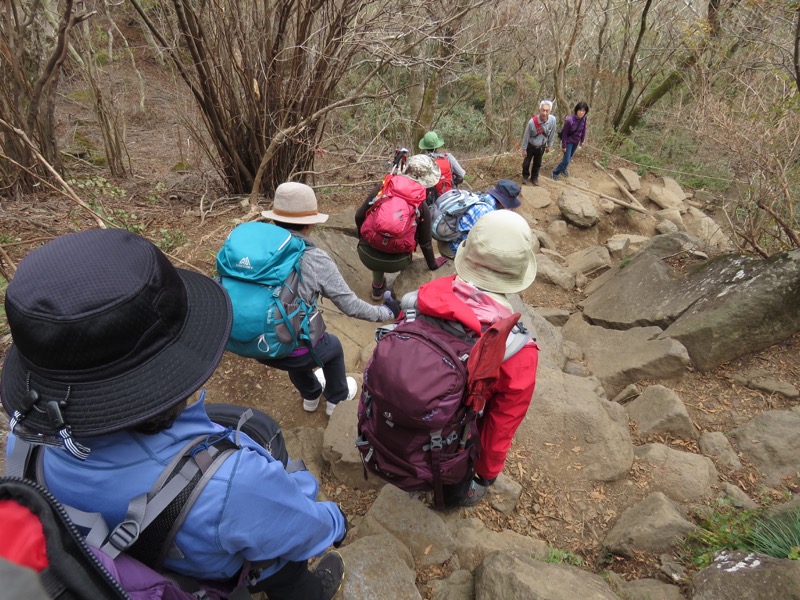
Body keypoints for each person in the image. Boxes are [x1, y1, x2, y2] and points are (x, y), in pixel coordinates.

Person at [1, 228, 348, 599]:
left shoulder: (23, 442)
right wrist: (335, 520)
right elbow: (305, 528)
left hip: (114, 563)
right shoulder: (234, 482)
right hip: (205, 573)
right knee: (282, 549)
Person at [413, 210, 539, 508]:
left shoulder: (421, 299)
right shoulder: (516, 349)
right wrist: (487, 473)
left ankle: (410, 475)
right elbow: (501, 422)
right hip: (452, 440)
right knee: (458, 481)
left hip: (401, 425)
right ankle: (450, 500)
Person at [262, 182, 400, 416]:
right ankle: (336, 398)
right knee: (331, 347)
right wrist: (387, 313)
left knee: (288, 333)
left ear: (274, 218)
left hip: (259, 345)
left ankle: (310, 394)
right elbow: (351, 306)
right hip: (292, 347)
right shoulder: (314, 258)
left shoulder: (258, 249)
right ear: (310, 223)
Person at [355, 154, 448, 301]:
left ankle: (377, 288)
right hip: (397, 262)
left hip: (366, 254)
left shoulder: (383, 189)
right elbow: (425, 242)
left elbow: (359, 216)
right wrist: (432, 264)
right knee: (398, 245)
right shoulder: (421, 205)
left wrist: (364, 239)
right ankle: (403, 286)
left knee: (377, 245)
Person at [437, 179, 522, 259]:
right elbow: (485, 243)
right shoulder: (486, 213)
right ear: (503, 203)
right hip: (452, 248)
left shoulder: (482, 197)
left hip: (446, 238)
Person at [418, 130, 466, 195]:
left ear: (425, 147)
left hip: (431, 198)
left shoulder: (423, 160)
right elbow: (461, 175)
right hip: (451, 194)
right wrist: (452, 182)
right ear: (438, 145)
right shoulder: (448, 157)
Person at [521, 100, 557, 186]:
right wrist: (524, 149)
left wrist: (549, 145)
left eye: (547, 111)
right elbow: (526, 136)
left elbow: (552, 133)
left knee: (538, 163)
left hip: (541, 146)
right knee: (526, 163)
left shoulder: (552, 120)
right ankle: (525, 176)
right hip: (531, 145)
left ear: (550, 111)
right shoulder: (532, 122)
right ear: (539, 110)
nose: (544, 113)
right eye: (543, 110)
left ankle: (534, 178)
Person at [552, 101, 589, 180]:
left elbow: (583, 130)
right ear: (576, 110)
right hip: (568, 141)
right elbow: (564, 134)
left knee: (569, 157)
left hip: (576, 141)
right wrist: (564, 145)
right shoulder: (569, 120)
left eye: (583, 111)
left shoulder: (584, 118)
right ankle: (555, 173)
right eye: (580, 110)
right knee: (566, 160)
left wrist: (582, 140)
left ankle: (564, 169)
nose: (581, 113)